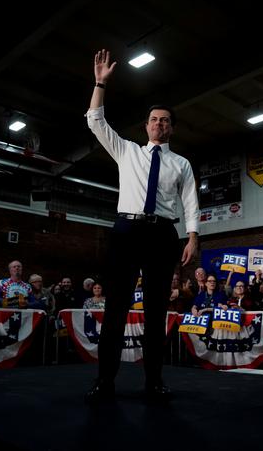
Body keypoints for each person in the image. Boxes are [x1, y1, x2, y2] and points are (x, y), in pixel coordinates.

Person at [85, 49, 199, 403]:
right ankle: (105, 381)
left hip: (163, 234)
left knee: (155, 312)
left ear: (172, 127)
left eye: (166, 120)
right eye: (154, 120)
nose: (159, 124)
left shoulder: (181, 164)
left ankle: (153, 382)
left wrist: (192, 236)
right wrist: (101, 83)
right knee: (116, 308)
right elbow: (95, 120)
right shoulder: (127, 152)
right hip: (127, 232)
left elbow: (191, 201)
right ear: (146, 126)